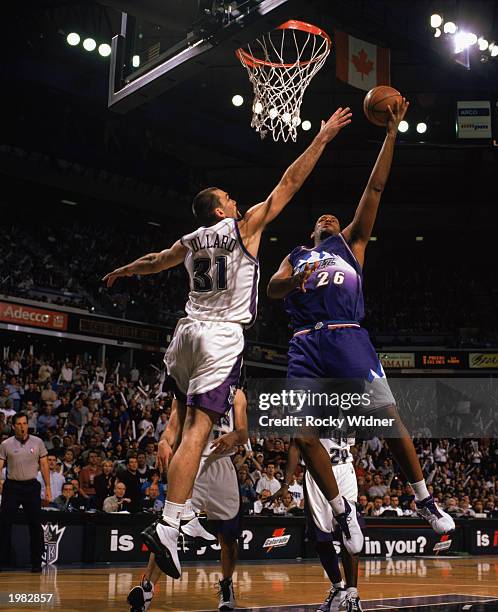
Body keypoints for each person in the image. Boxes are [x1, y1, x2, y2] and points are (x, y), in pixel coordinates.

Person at [103, 106, 355, 579]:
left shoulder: (191, 240)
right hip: (220, 336)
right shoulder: (244, 227)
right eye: (229, 197)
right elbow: (289, 183)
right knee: (199, 430)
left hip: (185, 335)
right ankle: (171, 522)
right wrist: (321, 139)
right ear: (220, 210)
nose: (237, 200)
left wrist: (125, 270)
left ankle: (183, 518)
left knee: (179, 425)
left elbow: (156, 260)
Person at [267, 98, 455, 538]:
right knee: (302, 433)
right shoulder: (296, 256)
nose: (328, 217)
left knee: (387, 418)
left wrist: (391, 134)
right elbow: (272, 290)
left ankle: (424, 499)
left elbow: (374, 190)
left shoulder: (351, 245)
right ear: (312, 232)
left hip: (348, 337)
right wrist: (294, 281)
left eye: (334, 217)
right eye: (321, 219)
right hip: (305, 343)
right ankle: (341, 510)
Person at [128, 389, 248, 612]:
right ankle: (146, 589)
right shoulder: (186, 387)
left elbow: (243, 433)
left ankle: (226, 584)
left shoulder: (236, 393)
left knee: (229, 539)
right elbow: (172, 427)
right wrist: (164, 441)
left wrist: (234, 436)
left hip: (222, 464)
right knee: (169, 530)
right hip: (190, 463)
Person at [273, 436, 363, 612]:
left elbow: (353, 440)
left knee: (349, 531)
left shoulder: (349, 408)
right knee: (320, 538)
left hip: (344, 470)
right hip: (316, 475)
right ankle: (338, 587)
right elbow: (294, 444)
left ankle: (352, 593)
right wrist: (286, 483)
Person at [0, 412, 50, 572]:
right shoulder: (6, 444)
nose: (22, 427)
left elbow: (44, 465)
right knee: (4, 524)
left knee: (35, 525)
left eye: (24, 423)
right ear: (14, 426)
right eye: (19, 424)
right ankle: (1, 560)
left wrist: (48, 488)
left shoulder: (38, 442)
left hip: (31, 487)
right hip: (12, 486)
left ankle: (37, 562)